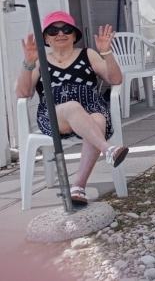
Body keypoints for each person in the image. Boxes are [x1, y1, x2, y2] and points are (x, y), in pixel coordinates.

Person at [15, 11, 128, 206]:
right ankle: (108, 149)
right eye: (53, 30)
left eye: (66, 29)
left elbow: (116, 80)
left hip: (91, 106)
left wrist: (107, 53)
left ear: (74, 35)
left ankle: (78, 187)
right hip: (55, 114)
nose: (60, 33)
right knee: (72, 107)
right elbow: (23, 93)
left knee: (98, 120)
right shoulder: (40, 61)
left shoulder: (88, 54)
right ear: (46, 38)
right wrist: (28, 64)